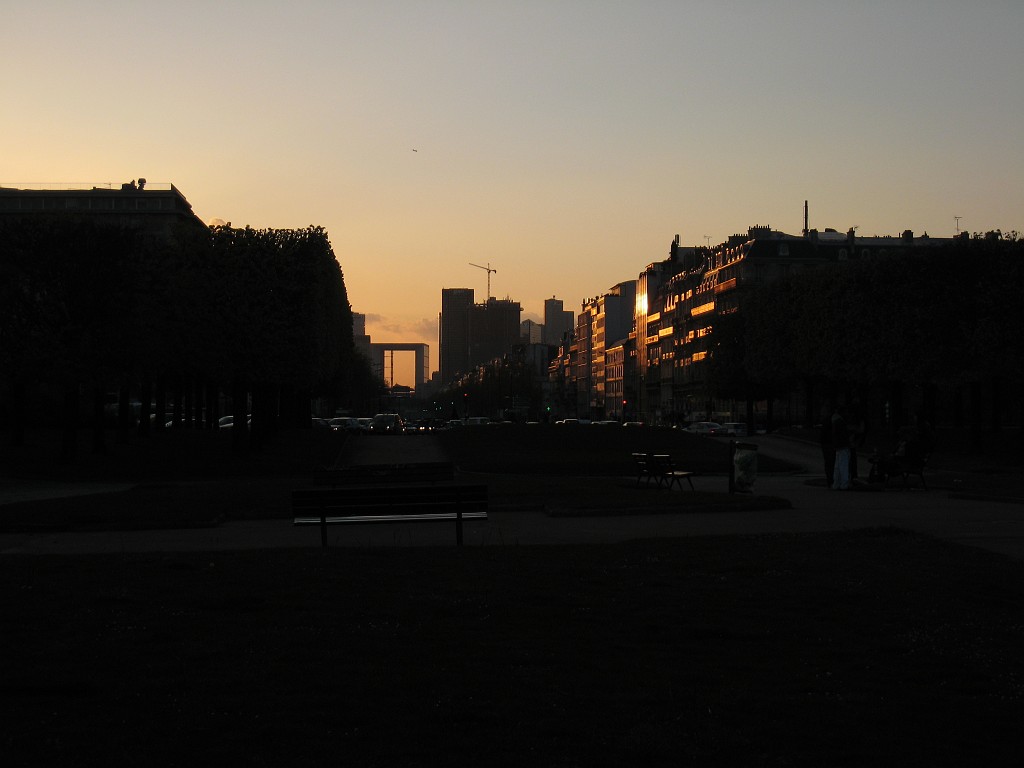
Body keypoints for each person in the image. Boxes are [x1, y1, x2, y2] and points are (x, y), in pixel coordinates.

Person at [831, 408, 851, 490]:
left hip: (838, 446)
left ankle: (836, 483)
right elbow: (843, 435)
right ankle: (844, 484)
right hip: (843, 446)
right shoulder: (841, 422)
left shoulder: (835, 422)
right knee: (843, 465)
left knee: (838, 466)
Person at [819, 407, 835, 487]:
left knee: (828, 463)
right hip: (829, 443)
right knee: (831, 462)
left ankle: (830, 480)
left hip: (826, 443)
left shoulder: (826, 421)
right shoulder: (831, 421)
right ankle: (831, 479)